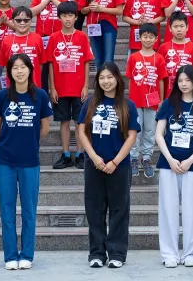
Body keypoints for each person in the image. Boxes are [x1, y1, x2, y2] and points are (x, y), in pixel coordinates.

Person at [0, 53, 53, 270]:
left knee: (29, 209)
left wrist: (28, 141)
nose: (19, 71)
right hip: (5, 161)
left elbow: (45, 128)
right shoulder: (2, 97)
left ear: (30, 69)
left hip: (30, 161)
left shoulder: (41, 96)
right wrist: (10, 142)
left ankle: (27, 254)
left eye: (23, 67)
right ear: (9, 72)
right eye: (15, 67)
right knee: (6, 210)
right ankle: (10, 256)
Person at [78, 62, 140, 269]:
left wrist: (115, 161)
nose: (106, 81)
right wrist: (94, 157)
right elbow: (81, 132)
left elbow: (131, 136)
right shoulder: (90, 103)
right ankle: (96, 253)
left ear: (117, 79)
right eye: (102, 78)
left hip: (119, 166)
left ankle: (117, 253)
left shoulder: (127, 105)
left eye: (109, 77)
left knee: (119, 210)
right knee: (94, 210)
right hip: (94, 165)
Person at [155, 65, 193, 268]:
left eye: (187, 80)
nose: (184, 84)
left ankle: (191, 253)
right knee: (168, 210)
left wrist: (190, 161)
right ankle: (169, 254)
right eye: (180, 80)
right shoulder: (168, 104)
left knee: (192, 211)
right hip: (168, 164)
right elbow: (158, 134)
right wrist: (170, 159)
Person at [47, 1, 93, 170]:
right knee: (63, 121)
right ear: (59, 17)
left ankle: (80, 154)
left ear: (75, 17)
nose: (67, 19)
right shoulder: (54, 37)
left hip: (78, 87)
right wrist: (53, 87)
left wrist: (86, 86)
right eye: (64, 15)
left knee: (79, 122)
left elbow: (87, 62)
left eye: (71, 15)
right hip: (60, 88)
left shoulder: (82, 36)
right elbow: (51, 63)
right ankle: (66, 154)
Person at [126, 23, 165, 178]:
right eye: (145, 36)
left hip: (152, 101)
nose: (148, 39)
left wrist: (161, 100)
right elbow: (129, 79)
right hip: (136, 100)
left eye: (151, 37)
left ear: (156, 39)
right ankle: (134, 157)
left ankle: (147, 157)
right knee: (136, 129)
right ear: (140, 37)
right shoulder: (134, 57)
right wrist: (129, 99)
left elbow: (161, 80)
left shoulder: (159, 58)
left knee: (150, 129)